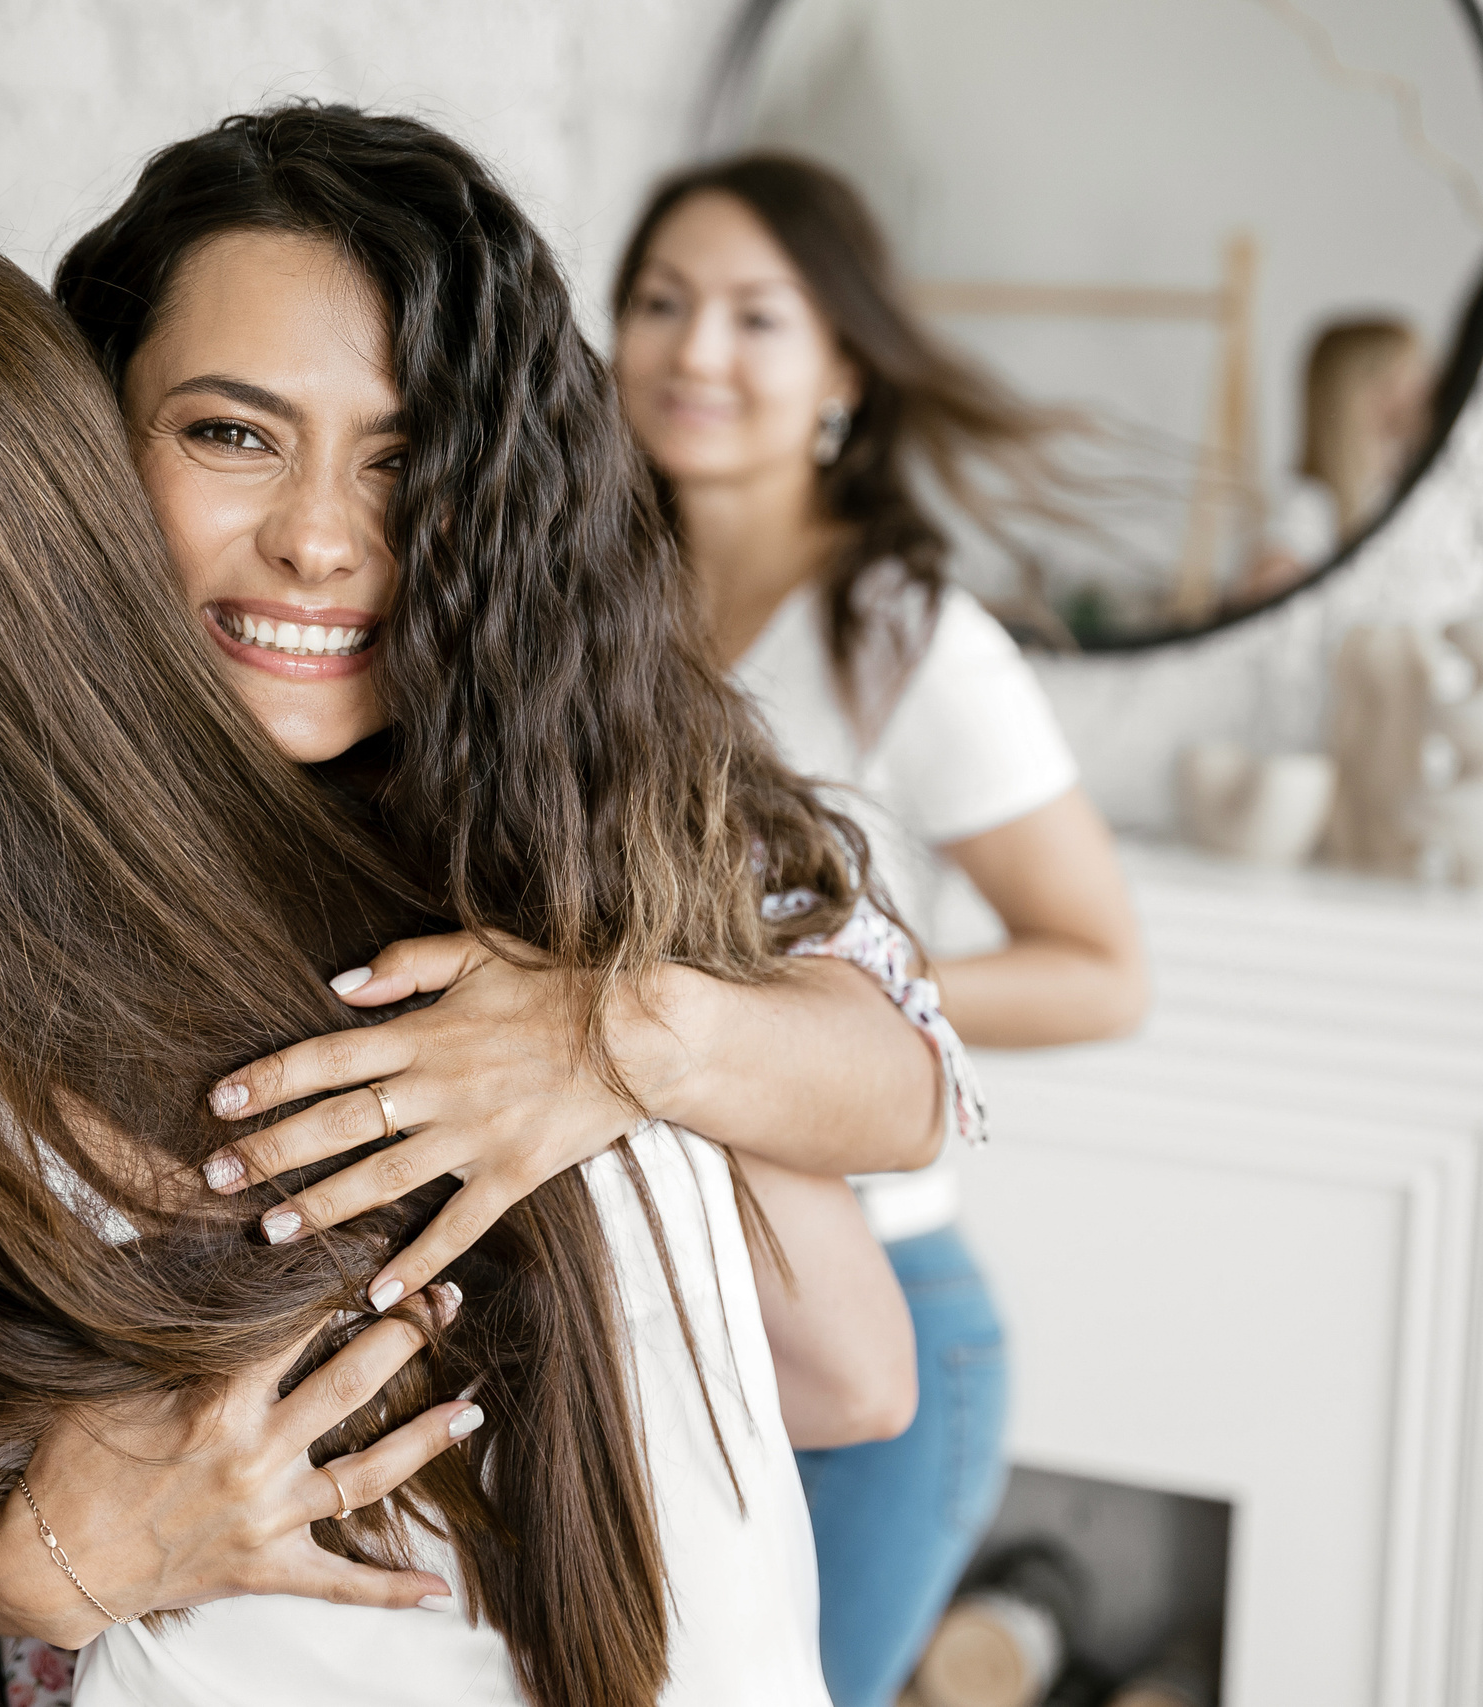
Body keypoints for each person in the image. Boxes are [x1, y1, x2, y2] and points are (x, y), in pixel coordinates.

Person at [0, 106, 951, 1707]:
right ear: (91, 451)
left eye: (401, 458)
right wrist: (9, 1559)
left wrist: (624, 1033)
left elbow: (869, 1305)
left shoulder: (572, 836)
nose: (322, 540)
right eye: (229, 434)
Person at [610, 153, 1151, 1707]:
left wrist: (795, 1015)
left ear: (842, 365)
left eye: (755, 316)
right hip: (677, 1294)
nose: (695, 349)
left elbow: (1102, 966)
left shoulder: (912, 638)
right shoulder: (594, 608)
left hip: (888, 1328)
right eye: (660, 301)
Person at [1237, 316, 1433, 606]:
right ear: (1374, 393)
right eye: (1417, 372)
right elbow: (1262, 595)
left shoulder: (1386, 493)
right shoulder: (1308, 509)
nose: (1430, 387)